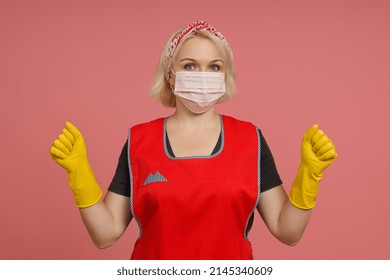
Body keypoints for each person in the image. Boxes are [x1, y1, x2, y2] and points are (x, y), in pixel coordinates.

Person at [50, 20, 337, 260]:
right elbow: (105, 234)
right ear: (170, 75)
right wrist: (79, 173)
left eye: (214, 67)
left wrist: (309, 175)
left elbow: (287, 232)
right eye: (189, 66)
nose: (203, 76)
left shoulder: (251, 139)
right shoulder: (140, 141)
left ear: (225, 75)